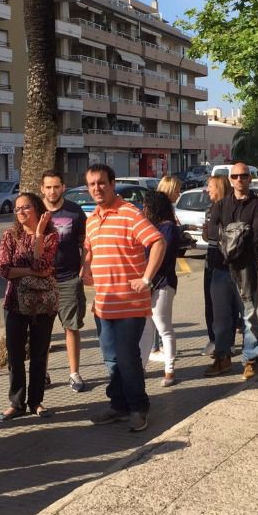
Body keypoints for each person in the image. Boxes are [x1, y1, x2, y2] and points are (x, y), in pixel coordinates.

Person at [83, 164, 165, 432]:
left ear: (113, 183)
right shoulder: (92, 219)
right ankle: (118, 406)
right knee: (113, 360)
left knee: (128, 358)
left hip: (130, 304)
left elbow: (157, 242)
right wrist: (86, 268)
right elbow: (90, 250)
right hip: (103, 305)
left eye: (102, 183)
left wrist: (146, 278)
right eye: (92, 184)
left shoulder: (130, 213)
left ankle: (139, 408)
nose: (97, 188)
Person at [0, 193, 59, 421]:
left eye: (26, 208)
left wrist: (39, 235)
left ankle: (36, 402)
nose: (21, 213)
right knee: (15, 355)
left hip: (43, 305)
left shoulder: (51, 236)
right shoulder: (10, 236)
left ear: (37, 209)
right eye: (17, 209)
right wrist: (32, 271)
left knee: (39, 354)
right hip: (14, 303)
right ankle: (16, 402)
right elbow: (4, 269)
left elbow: (43, 262)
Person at [205, 162, 258, 381]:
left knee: (249, 316)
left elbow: (255, 236)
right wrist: (240, 231)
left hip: (246, 268)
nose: (240, 180)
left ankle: (250, 359)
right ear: (230, 180)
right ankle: (222, 357)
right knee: (220, 319)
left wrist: (229, 234)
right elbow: (212, 232)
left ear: (250, 178)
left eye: (244, 176)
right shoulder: (220, 205)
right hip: (220, 268)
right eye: (236, 176)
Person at [41, 170, 88, 392]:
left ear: (63, 187)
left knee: (71, 327)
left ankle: (74, 373)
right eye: (48, 187)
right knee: (42, 330)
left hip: (69, 279)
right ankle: (42, 373)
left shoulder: (75, 211)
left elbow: (85, 244)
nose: (52, 191)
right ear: (42, 189)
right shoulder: (35, 210)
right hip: (41, 281)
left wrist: (83, 270)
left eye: (56, 186)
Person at [136, 191, 180, 387]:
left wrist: (149, 280)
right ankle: (141, 367)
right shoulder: (151, 227)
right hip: (148, 283)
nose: (143, 209)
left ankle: (169, 371)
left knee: (163, 327)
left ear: (154, 207)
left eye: (146, 206)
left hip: (162, 283)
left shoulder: (168, 228)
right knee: (146, 328)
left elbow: (162, 258)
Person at [202, 174, 231, 357]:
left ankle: (224, 341)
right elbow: (208, 236)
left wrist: (212, 232)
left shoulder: (227, 207)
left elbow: (221, 234)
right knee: (209, 301)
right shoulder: (209, 208)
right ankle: (214, 339)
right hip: (211, 255)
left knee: (225, 303)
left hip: (225, 255)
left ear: (219, 187)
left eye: (210, 187)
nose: (207, 190)